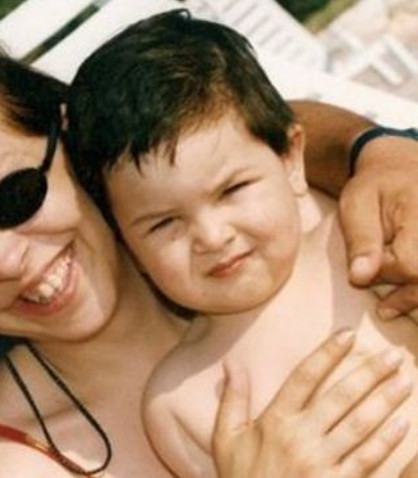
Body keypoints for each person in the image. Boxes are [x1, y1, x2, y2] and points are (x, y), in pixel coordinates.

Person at [0, 37, 418, 477]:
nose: (5, 259)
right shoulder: (23, 465)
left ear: (72, 143)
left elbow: (261, 129)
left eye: (13, 197)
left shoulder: (259, 208)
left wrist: (381, 150)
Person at [64, 10, 418, 477]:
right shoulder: (178, 402)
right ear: (130, 248)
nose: (213, 237)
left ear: (291, 159)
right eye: (165, 223)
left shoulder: (358, 245)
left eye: (232, 190)